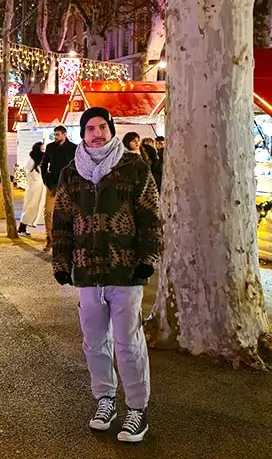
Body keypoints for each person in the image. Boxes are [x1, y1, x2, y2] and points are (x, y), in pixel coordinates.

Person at [51, 106, 163, 444]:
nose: (96, 133)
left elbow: (150, 216)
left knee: (128, 342)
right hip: (87, 272)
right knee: (93, 342)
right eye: (90, 128)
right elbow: (62, 222)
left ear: (111, 129)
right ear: (82, 133)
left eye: (102, 127)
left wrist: (148, 258)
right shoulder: (72, 173)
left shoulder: (134, 167)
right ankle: (105, 400)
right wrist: (61, 262)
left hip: (125, 269)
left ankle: (137, 409)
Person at [40, 125, 76, 250]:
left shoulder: (73, 148)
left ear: (64, 134)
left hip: (67, 185)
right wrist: (47, 181)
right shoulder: (50, 147)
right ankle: (50, 239)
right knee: (48, 212)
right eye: (54, 135)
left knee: (66, 213)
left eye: (58, 135)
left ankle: (66, 240)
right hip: (53, 184)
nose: (55, 137)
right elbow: (43, 165)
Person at [18, 142, 45, 236]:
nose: (43, 151)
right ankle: (22, 227)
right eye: (42, 149)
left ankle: (24, 226)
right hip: (35, 186)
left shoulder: (37, 160)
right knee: (31, 206)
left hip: (38, 186)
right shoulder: (33, 160)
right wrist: (36, 179)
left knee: (34, 206)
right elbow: (29, 172)